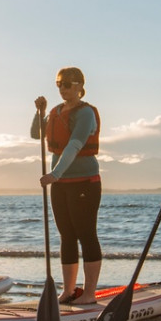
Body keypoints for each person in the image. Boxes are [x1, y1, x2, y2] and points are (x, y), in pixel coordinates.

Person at [31, 67, 102, 305]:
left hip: (84, 181)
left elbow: (75, 144)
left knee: (86, 234)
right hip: (60, 183)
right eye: (59, 83)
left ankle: (90, 293)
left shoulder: (86, 113)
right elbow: (35, 134)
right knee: (66, 236)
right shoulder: (56, 111)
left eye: (68, 83)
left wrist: (55, 173)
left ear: (80, 86)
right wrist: (38, 113)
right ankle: (68, 291)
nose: (63, 88)